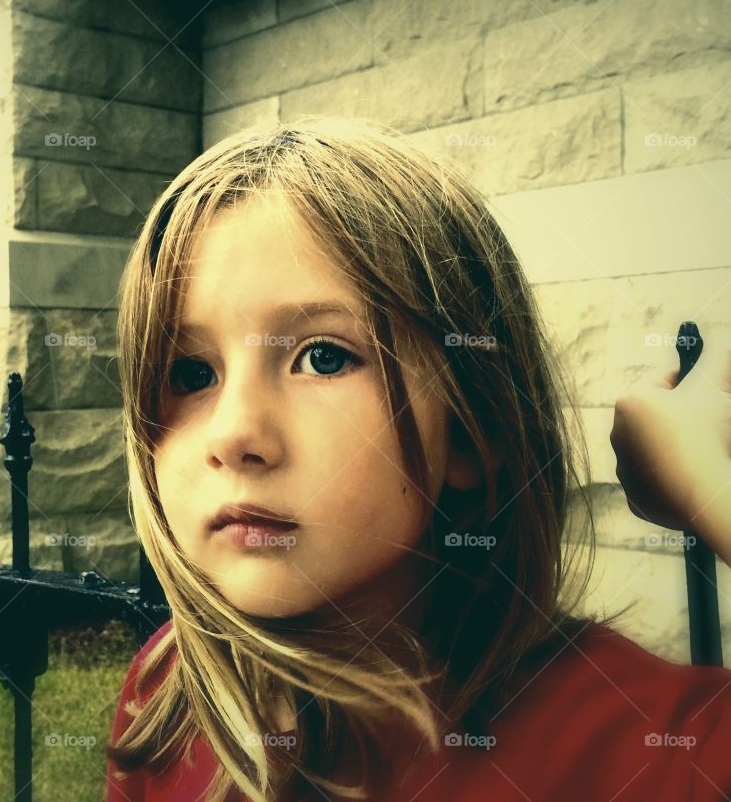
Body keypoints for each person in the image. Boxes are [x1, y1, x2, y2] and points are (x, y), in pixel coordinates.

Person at [104, 117, 731, 802]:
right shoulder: (165, 692)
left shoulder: (657, 747)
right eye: (192, 373)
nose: (233, 434)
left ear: (472, 431)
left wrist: (708, 481)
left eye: (323, 357)